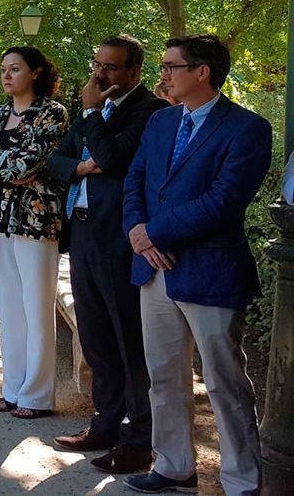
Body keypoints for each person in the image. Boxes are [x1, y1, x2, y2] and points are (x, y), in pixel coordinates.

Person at [122, 34, 270, 496]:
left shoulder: (248, 128)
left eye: (170, 66)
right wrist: (137, 234)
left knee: (225, 384)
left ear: (201, 72)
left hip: (211, 272)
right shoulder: (161, 122)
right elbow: (136, 181)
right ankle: (174, 468)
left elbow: (224, 201)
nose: (162, 74)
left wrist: (154, 232)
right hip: (155, 270)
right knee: (164, 376)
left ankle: (242, 483)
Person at [47, 35, 167, 473]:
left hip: (119, 241)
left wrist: (93, 115)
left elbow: (114, 159)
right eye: (97, 64)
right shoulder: (93, 111)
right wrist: (81, 165)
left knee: (126, 341)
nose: (99, 74)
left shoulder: (149, 111)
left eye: (111, 67)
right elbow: (55, 161)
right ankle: (105, 423)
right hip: (81, 236)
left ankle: (139, 440)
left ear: (135, 73)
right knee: (95, 338)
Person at [0, 46, 68, 419]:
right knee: (9, 305)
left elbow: (27, 165)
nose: (7, 75)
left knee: (37, 306)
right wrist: (1, 168)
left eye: (15, 69)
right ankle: (12, 387)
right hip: (1, 218)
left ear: (36, 72)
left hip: (37, 220)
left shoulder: (51, 114)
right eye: (4, 69)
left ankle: (37, 395)